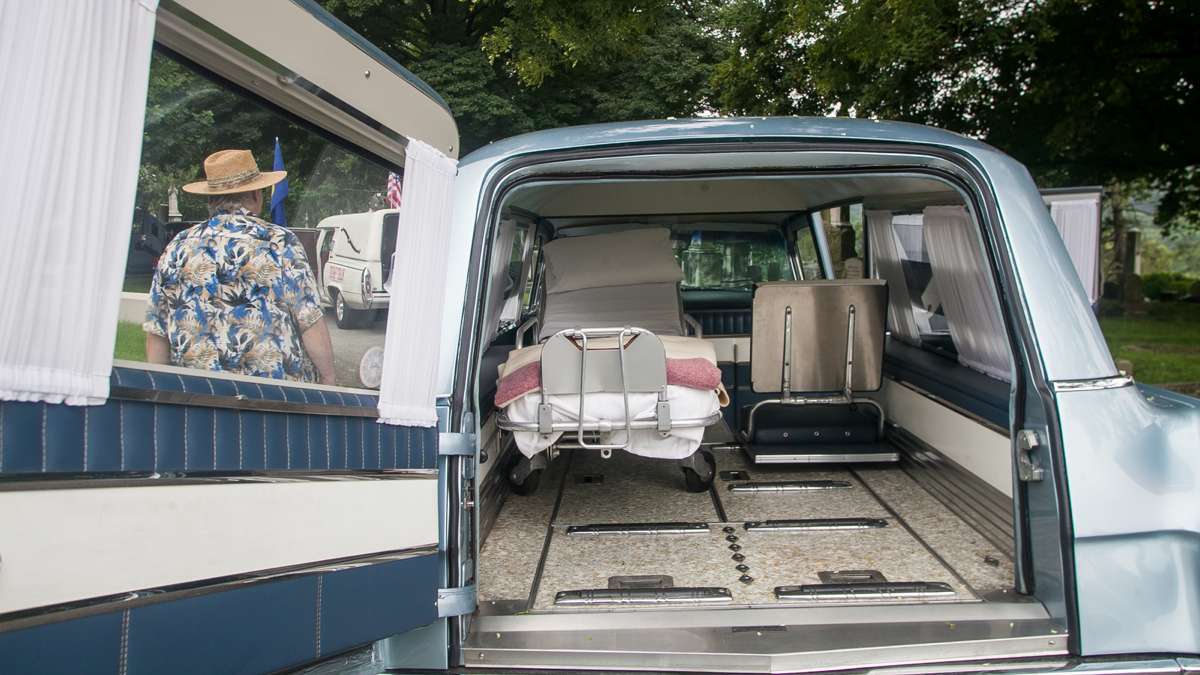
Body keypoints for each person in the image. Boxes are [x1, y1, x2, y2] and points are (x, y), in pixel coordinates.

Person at [143, 149, 336, 385]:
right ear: (256, 195)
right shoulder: (278, 242)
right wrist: (329, 378)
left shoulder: (178, 246)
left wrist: (160, 390)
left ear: (211, 200)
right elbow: (309, 322)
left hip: (199, 399)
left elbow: (157, 331)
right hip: (275, 401)